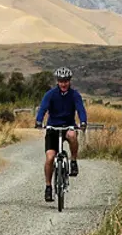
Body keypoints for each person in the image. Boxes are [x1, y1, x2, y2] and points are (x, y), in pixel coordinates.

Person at [34, 67, 87, 203]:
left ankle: (73, 160)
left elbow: (80, 109)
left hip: (68, 125)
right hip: (53, 127)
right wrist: (39, 120)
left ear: (69, 81)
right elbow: (43, 107)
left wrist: (83, 122)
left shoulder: (75, 95)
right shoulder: (50, 94)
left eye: (66, 81)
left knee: (72, 135)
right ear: (57, 81)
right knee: (50, 157)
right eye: (61, 81)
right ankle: (48, 187)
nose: (63, 84)